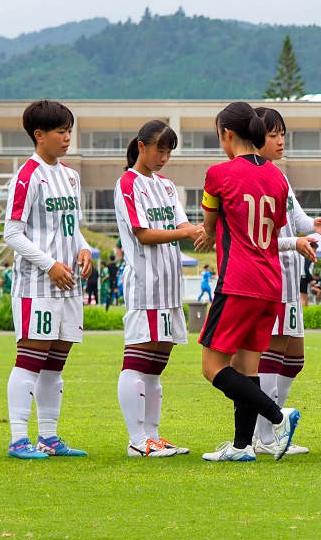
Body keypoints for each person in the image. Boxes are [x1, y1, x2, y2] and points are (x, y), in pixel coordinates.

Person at [192, 101, 300, 462]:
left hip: (238, 281)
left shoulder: (218, 173)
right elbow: (277, 226)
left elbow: (209, 225)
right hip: (271, 283)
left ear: (227, 134)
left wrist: (210, 232)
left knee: (213, 367)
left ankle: (278, 416)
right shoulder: (278, 177)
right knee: (247, 368)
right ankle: (242, 447)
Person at [3, 100, 92, 459]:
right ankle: (18, 438)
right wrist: (50, 264)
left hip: (68, 284)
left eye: (69, 130)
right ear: (39, 135)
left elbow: (71, 227)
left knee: (56, 362)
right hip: (36, 285)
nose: (67, 137)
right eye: (60, 131)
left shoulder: (70, 176)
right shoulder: (27, 176)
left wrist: (84, 248)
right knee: (30, 359)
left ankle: (49, 437)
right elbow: (12, 233)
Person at [114, 120, 199, 458]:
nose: (164, 157)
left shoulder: (166, 185)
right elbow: (143, 233)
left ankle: (152, 435)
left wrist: (199, 230)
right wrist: (188, 232)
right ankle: (137, 440)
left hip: (168, 285)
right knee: (136, 361)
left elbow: (182, 223)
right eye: (159, 150)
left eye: (168, 152)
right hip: (144, 283)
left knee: (156, 364)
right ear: (141, 146)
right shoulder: (127, 183)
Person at [251, 106, 321, 456]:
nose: (281, 141)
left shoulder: (280, 177)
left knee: (293, 358)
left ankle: (274, 427)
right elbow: (259, 237)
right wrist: (293, 242)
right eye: (273, 135)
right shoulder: (252, 178)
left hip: (289, 276)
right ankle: (264, 436)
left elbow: (295, 218)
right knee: (270, 355)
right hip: (267, 276)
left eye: (283, 134)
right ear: (256, 138)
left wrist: (314, 224)